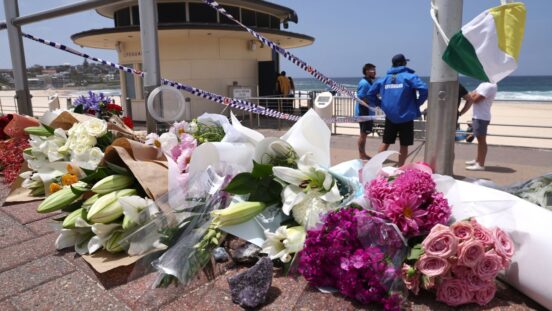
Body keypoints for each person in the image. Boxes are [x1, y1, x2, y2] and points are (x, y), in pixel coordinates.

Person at [367, 54, 428, 167]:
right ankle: (400, 168)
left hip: (390, 116)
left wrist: (380, 104)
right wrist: (416, 104)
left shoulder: (383, 79)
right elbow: (424, 89)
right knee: (404, 145)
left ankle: (374, 166)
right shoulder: (410, 77)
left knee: (386, 142)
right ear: (403, 63)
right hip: (406, 117)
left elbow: (370, 94)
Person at [464, 82, 498, 171]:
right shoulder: (483, 84)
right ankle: (477, 160)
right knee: (480, 140)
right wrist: (473, 95)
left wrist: (473, 95)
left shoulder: (491, 85)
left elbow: (474, 99)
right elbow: (472, 95)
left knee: (482, 141)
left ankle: (480, 164)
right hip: (478, 116)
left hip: (482, 117)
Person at [356, 63, 378, 160]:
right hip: (364, 113)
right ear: (366, 71)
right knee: (363, 135)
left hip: (368, 113)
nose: (374, 71)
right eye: (371, 70)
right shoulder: (364, 83)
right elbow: (361, 99)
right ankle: (362, 155)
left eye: (374, 69)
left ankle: (363, 154)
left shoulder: (370, 82)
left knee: (364, 135)